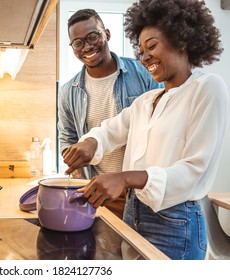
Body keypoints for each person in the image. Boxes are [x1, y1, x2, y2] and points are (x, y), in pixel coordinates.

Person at [62, 0, 228, 260]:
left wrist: (125, 178)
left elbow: (194, 171)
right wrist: (91, 143)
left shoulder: (207, 88)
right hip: (134, 213)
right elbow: (110, 130)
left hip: (177, 223)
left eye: (152, 46)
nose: (145, 55)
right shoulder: (146, 101)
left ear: (181, 40)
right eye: (141, 50)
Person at [58, 9, 162, 219]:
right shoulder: (68, 91)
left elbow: (163, 122)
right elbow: (67, 139)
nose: (86, 46)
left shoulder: (143, 72)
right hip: (98, 193)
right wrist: (73, 158)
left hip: (141, 192)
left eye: (93, 36)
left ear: (106, 34)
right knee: (104, 251)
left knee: (141, 250)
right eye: (78, 43)